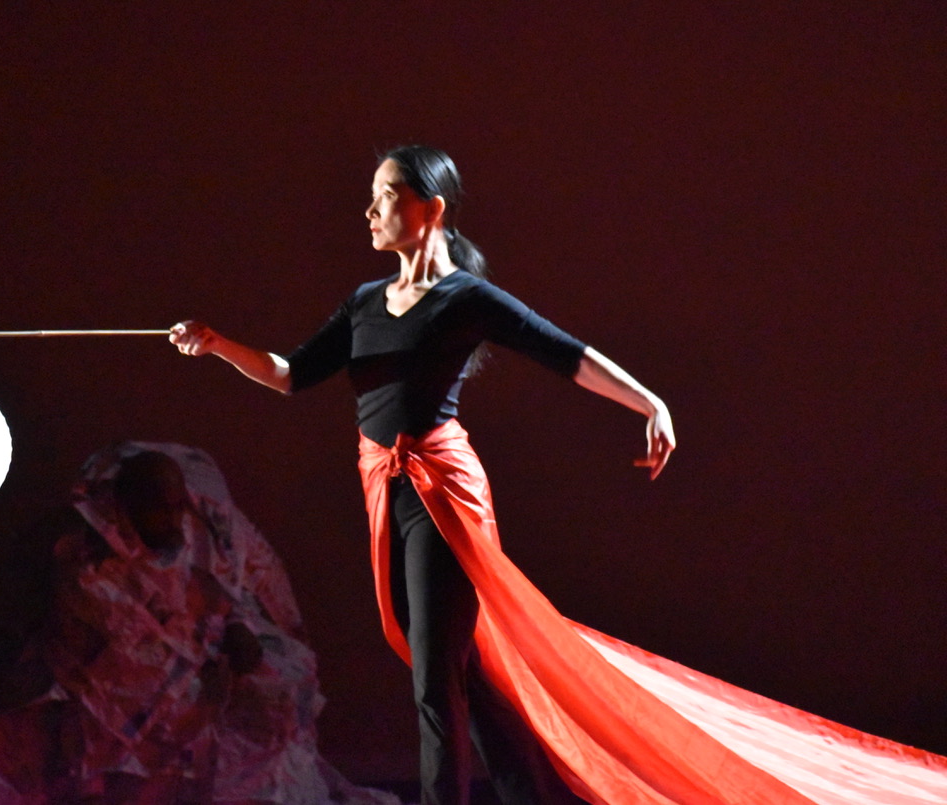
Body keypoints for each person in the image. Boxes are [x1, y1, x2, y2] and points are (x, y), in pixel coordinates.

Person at [169, 147, 947, 805]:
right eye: (369, 198)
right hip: (385, 487)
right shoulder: (365, 302)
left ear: (430, 207)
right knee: (451, 664)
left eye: (384, 196)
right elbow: (288, 373)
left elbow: (565, 354)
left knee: (436, 677)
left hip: (442, 491)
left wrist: (650, 400)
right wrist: (215, 343)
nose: (367, 210)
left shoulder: (464, 299)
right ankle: (531, 787)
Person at [0, 442, 400, 805]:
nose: (174, 520)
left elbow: (223, 593)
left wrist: (236, 629)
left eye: (177, 508)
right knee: (162, 723)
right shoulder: (88, 563)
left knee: (280, 686)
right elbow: (121, 639)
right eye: (160, 510)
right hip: (125, 673)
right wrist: (195, 663)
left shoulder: (198, 533)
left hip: (203, 652)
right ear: (129, 505)